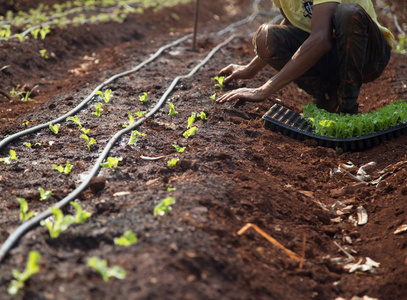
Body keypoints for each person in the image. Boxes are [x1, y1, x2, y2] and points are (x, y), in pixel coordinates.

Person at [216, 0, 396, 114]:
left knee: (348, 12)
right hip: (333, 55)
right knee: (267, 38)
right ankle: (328, 96)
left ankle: (346, 107)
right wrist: (250, 69)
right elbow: (291, 24)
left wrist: (264, 89)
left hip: (369, 55)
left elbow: (320, 40)